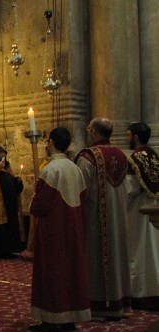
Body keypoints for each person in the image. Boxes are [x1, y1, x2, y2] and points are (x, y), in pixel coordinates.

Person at [28, 127, 91, 332]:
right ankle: (70, 317)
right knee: (70, 271)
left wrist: (32, 201)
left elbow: (40, 207)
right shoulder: (75, 168)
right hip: (73, 228)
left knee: (52, 271)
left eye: (47, 140)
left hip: (53, 231)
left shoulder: (50, 170)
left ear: (52, 142)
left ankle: (51, 318)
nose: (46, 144)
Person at [75, 117, 131, 320]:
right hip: (119, 219)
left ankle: (98, 305)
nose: (89, 132)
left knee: (96, 258)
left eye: (90, 129)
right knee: (117, 256)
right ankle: (119, 303)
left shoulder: (88, 157)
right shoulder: (122, 155)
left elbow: (80, 190)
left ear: (95, 132)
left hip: (95, 220)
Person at [125, 122, 159, 310]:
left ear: (136, 137)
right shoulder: (154, 156)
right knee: (154, 250)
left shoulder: (135, 159)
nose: (127, 139)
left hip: (140, 211)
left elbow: (129, 189)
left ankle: (140, 293)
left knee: (139, 250)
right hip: (155, 210)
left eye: (129, 135)